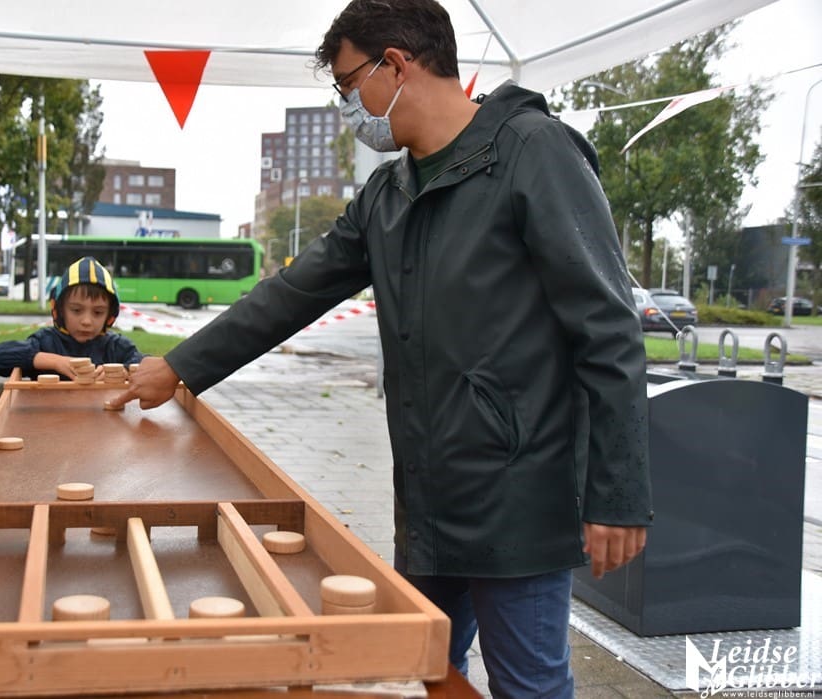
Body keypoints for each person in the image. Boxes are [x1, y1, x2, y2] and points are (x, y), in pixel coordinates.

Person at [108, 1, 651, 695]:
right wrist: (180, 367)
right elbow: (293, 292)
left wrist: (618, 494)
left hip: (519, 499)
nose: (349, 108)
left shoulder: (531, 152)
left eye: (348, 85)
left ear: (395, 64)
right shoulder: (388, 193)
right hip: (428, 498)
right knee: (421, 670)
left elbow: (608, 329)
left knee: (529, 684)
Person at [0, 256, 142, 380]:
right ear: (60, 310)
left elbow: (145, 364)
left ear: (110, 314)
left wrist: (125, 370)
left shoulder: (116, 347)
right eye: (76, 310)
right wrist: (55, 362)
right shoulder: (46, 342)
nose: (86, 321)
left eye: (98, 312)